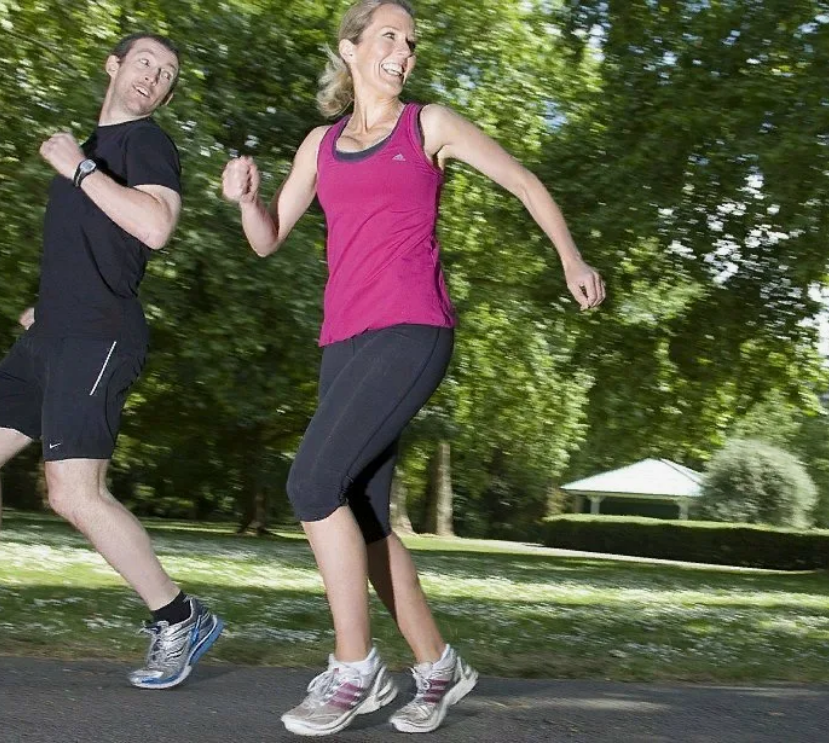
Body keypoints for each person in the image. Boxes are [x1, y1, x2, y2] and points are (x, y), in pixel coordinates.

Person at [221, 0, 604, 735]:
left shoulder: (427, 125)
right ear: (352, 49)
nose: (405, 51)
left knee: (309, 482)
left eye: (411, 42)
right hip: (344, 342)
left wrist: (571, 256)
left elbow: (523, 180)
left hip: (412, 329)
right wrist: (247, 200)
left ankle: (355, 667)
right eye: (390, 37)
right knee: (361, 515)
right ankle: (437, 666)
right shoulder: (320, 145)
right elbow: (267, 240)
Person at [0, 32, 222, 690]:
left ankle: (180, 616)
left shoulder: (143, 144)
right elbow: (92, 249)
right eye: (144, 62)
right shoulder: (89, 150)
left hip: (99, 337)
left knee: (72, 492)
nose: (154, 76)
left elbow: (154, 227)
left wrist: (78, 170)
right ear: (112, 66)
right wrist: (47, 304)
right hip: (54, 331)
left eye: (167, 72)